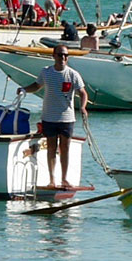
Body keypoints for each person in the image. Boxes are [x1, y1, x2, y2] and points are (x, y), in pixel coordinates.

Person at [18, 44, 87, 189]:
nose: (63, 58)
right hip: (49, 116)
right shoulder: (46, 72)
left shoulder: (73, 74)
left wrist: (83, 106)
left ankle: (64, 178)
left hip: (67, 118)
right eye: (60, 55)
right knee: (51, 148)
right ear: (54, 56)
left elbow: (83, 92)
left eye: (65, 55)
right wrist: (24, 89)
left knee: (65, 148)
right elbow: (37, 86)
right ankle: (52, 179)